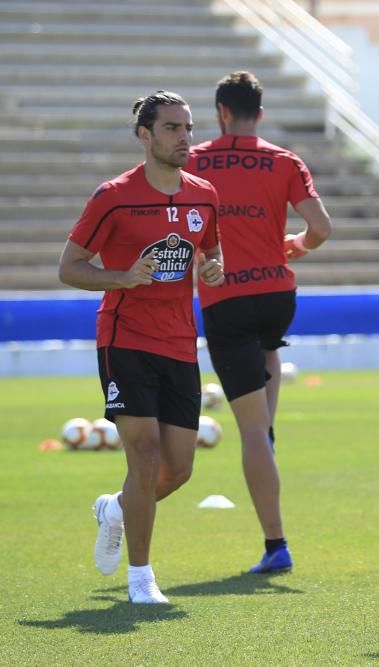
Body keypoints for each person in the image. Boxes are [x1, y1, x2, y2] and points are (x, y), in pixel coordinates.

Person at [59, 91, 225, 604]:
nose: (184, 138)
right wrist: (122, 277)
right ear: (144, 135)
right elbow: (70, 267)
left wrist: (212, 270)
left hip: (179, 343)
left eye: (188, 127)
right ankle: (141, 579)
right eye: (172, 128)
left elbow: (210, 254)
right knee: (146, 457)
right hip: (124, 338)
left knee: (179, 468)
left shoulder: (204, 195)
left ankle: (114, 508)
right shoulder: (112, 196)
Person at [188, 71, 332, 573]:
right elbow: (321, 227)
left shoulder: (194, 161)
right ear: (260, 115)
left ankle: (276, 546)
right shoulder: (283, 160)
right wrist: (294, 246)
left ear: (221, 111)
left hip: (226, 295)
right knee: (268, 358)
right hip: (277, 291)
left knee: (249, 434)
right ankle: (265, 435)